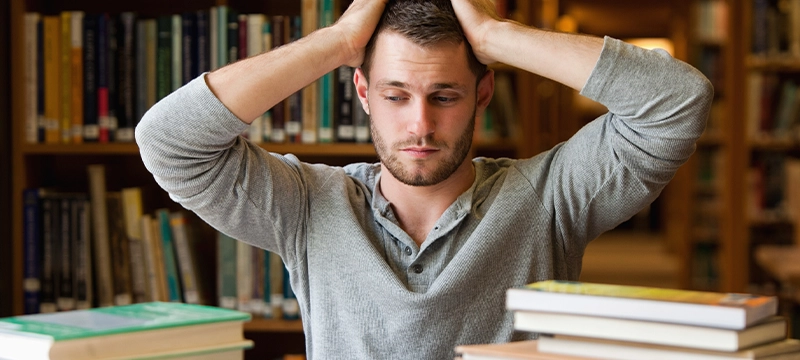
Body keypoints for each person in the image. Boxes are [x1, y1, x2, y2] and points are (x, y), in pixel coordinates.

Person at [136, 0, 713, 358]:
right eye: (395, 95)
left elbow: (678, 101)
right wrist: (337, 43)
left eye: (445, 95)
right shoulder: (308, 205)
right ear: (363, 93)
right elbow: (169, 141)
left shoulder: (550, 198)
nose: (420, 124)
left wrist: (493, 38)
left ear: (482, 93)